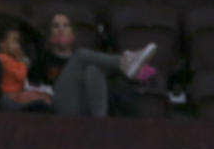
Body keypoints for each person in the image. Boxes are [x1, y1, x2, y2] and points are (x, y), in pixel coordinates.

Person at [29, 11, 157, 118]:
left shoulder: (88, 59)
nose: (61, 29)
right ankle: (125, 61)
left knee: (93, 69)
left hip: (85, 108)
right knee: (81, 55)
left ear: (73, 33)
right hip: (58, 107)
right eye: (56, 26)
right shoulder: (43, 60)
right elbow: (32, 88)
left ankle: (98, 125)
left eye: (66, 25)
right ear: (50, 33)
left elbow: (151, 74)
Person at [0, 25, 53, 112]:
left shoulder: (13, 59)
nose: (18, 46)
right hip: (7, 96)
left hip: (18, 93)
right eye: (14, 41)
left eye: (19, 42)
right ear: (2, 44)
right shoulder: (2, 58)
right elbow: (21, 76)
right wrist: (21, 62)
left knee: (44, 96)